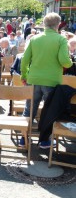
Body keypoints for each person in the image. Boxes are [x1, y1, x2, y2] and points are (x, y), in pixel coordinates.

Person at [20, 12, 73, 149]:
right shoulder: (61, 40)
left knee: (29, 109)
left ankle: (23, 138)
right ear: (58, 24)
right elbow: (64, 62)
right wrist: (71, 63)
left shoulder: (34, 39)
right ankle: (44, 141)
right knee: (49, 111)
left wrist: (24, 75)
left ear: (44, 24)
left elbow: (25, 60)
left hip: (34, 78)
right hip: (52, 81)